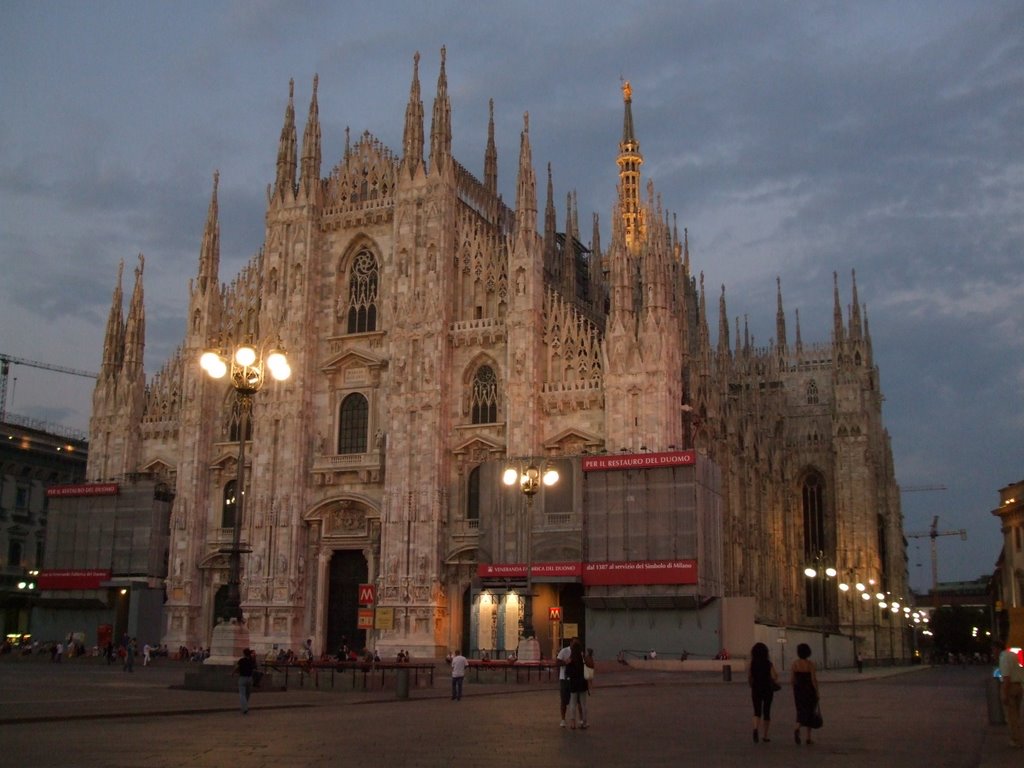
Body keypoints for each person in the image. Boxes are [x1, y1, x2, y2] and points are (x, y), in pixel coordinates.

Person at [748, 642, 779, 743]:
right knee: (766, 711)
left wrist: (752, 684)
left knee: (756, 711)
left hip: (756, 688)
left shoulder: (752, 663)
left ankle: (755, 728)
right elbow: (775, 676)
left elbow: (750, 677)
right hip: (767, 689)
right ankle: (765, 736)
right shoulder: (768, 663)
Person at [996, 640, 1023, 747]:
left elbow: (1006, 678)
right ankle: (1018, 735)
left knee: (1011, 717)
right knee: (1016, 714)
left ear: (997, 649)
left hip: (1010, 687)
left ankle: (1016, 740)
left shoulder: (1003, 657)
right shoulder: (1015, 654)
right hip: (1019, 686)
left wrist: (1004, 694)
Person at [791, 642, 819, 745]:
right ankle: (808, 737)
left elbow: (792, 679)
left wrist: (795, 689)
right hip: (809, 691)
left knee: (800, 710)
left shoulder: (795, 664)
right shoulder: (810, 664)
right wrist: (817, 691)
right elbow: (813, 679)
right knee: (810, 711)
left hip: (798, 691)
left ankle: (797, 727)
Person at [566, 639, 589, 729]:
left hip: (573, 683)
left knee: (573, 703)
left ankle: (572, 723)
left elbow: (567, 672)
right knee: (583, 704)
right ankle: (584, 722)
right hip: (582, 683)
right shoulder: (582, 659)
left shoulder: (571, 660)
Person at [556, 638, 574, 727]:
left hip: (574, 679)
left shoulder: (579, 653)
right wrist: (565, 662)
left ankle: (574, 719)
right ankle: (563, 719)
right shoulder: (564, 651)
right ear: (570, 643)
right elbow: (557, 662)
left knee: (575, 701)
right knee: (564, 700)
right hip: (564, 679)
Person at [236, 648, 256, 714]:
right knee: (247, 694)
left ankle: (244, 708)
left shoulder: (241, 660)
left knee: (242, 694)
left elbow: (237, 667)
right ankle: (245, 706)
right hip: (250, 678)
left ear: (244, 653)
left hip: (242, 678)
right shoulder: (251, 661)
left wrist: (233, 673)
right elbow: (253, 668)